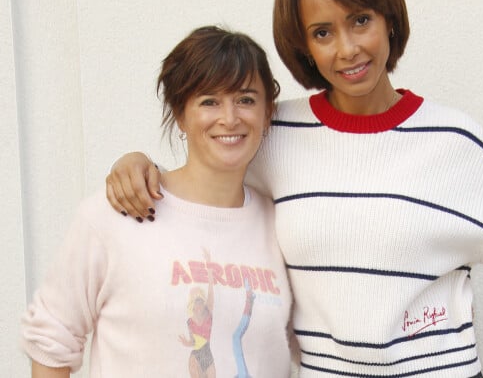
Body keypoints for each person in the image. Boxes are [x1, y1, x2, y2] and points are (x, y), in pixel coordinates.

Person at [105, 0, 483, 377]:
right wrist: (140, 167)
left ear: (389, 20)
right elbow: (205, 179)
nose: (348, 49)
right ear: (305, 47)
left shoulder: (458, 146)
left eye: (360, 20)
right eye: (323, 32)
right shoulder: (276, 136)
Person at [21, 26, 293, 378]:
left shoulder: (283, 225)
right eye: (209, 101)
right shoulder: (116, 214)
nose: (229, 117)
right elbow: (51, 340)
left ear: (267, 111)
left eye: (245, 99)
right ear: (180, 114)